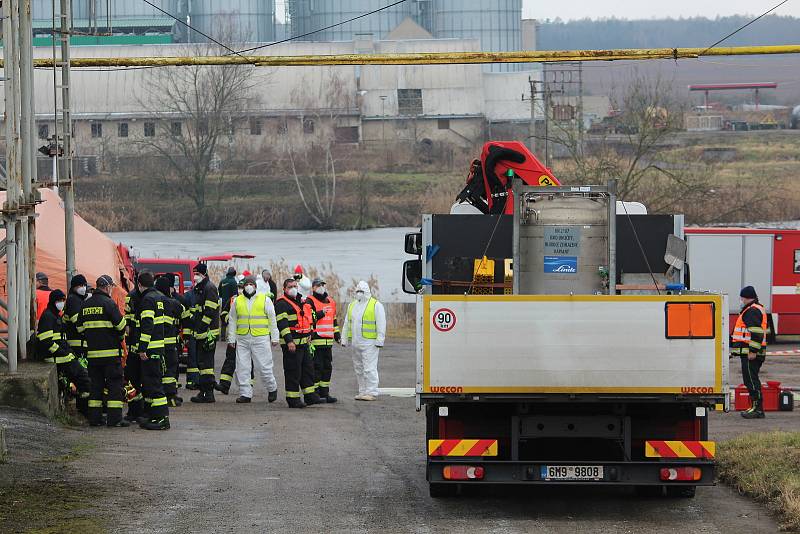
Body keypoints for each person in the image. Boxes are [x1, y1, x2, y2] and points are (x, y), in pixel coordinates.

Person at [77, 275, 129, 427]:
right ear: (107, 287)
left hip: (93, 355)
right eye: (111, 287)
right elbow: (120, 327)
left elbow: (80, 328)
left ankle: (95, 419)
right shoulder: (109, 303)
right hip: (111, 355)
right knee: (114, 387)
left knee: (96, 387)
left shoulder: (85, 305)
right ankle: (115, 419)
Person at [35, 289, 91, 417]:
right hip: (55, 359)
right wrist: (62, 353)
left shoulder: (55, 315)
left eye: (63, 300)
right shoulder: (48, 316)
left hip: (62, 357)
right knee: (85, 380)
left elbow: (60, 339)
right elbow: (46, 341)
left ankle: (83, 410)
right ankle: (86, 412)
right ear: (53, 301)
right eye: (59, 300)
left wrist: (68, 351)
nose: (61, 303)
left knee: (83, 380)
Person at [227, 275, 280, 404]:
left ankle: (272, 388)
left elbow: (272, 319)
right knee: (242, 367)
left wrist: (275, 337)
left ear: (256, 286)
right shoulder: (237, 301)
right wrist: (231, 339)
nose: (249, 286)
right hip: (242, 338)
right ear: (243, 286)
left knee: (264, 366)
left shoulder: (265, 300)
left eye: (252, 284)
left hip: (260, 338)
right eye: (246, 284)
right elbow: (232, 320)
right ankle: (245, 394)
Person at [275, 278, 323, 408]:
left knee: (308, 370)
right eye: (290, 286)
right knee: (293, 372)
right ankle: (293, 399)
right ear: (284, 289)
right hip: (292, 345)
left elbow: (306, 320)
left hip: (304, 343)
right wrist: (289, 341)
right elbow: (282, 324)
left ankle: (310, 396)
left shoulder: (301, 301)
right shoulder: (281, 303)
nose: (293, 288)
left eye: (295, 286)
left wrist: (310, 334)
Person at [135, 270, 170, 430]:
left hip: (150, 349)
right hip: (158, 347)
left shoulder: (148, 299)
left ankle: (162, 419)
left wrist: (142, 348)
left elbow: (147, 325)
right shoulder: (158, 297)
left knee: (154, 385)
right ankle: (152, 415)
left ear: (139, 284)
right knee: (152, 383)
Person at [341, 281, 386, 401]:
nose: (359, 293)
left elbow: (381, 324)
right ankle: (362, 391)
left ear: (367, 292)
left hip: (369, 343)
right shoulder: (352, 305)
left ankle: (371, 391)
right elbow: (347, 323)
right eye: (357, 291)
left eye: (361, 291)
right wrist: (344, 338)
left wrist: (380, 340)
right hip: (356, 343)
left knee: (369, 368)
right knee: (358, 368)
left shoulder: (376, 305)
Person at [732, 285, 768, 419]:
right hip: (750, 352)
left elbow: (756, 333)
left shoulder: (752, 311)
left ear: (746, 297)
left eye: (742, 297)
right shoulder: (756, 308)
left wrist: (752, 351)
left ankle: (757, 409)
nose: (741, 300)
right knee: (751, 380)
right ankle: (755, 407)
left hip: (751, 354)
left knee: (751, 381)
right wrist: (735, 352)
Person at [190, 263, 221, 404]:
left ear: (203, 274)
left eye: (197, 274)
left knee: (207, 365)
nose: (195, 276)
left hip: (208, 333)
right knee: (202, 364)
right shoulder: (200, 288)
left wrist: (201, 328)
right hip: (200, 332)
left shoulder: (210, 288)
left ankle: (208, 393)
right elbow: (197, 310)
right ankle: (203, 391)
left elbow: (209, 312)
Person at [307, 279, 339, 403]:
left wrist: (337, 336)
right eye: (318, 285)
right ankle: (315, 393)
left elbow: (334, 320)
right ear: (313, 288)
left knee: (327, 368)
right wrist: (320, 313)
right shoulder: (310, 300)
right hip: (316, 341)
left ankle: (325, 393)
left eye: (322, 285)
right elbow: (308, 318)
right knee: (317, 367)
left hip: (328, 342)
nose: (321, 287)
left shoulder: (331, 301)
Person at [156, 276, 184, 407]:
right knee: (170, 371)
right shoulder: (172, 302)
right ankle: (171, 397)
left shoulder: (151, 301)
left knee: (158, 371)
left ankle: (161, 396)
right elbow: (185, 314)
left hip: (155, 344)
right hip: (170, 343)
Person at [124, 275, 145, 422]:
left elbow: (127, 324)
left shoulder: (133, 296)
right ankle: (135, 411)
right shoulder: (132, 297)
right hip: (138, 346)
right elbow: (128, 323)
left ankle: (138, 411)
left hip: (139, 345)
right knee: (134, 380)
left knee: (139, 380)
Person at [63, 274, 89, 361]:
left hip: (77, 342)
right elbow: (78, 322)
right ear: (74, 287)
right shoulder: (73, 300)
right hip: (77, 343)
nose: (83, 288)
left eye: (84, 285)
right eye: (80, 285)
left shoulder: (77, 298)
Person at [218, 267, 238, 337]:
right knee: (232, 319)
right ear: (234, 273)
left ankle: (222, 336)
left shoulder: (222, 281)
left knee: (223, 318)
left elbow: (219, 292)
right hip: (231, 303)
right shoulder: (234, 282)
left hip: (224, 303)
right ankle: (231, 335)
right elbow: (235, 295)